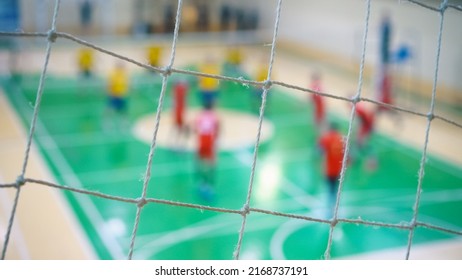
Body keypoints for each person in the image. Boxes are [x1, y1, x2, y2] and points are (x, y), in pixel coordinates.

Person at [318, 121, 345, 218]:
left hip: (329, 170)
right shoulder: (342, 138)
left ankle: (330, 210)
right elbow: (348, 154)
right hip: (339, 170)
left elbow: (319, 151)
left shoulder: (326, 138)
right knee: (335, 190)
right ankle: (334, 208)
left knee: (330, 190)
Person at [194, 102, 220, 201]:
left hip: (202, 139)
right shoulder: (213, 116)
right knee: (211, 164)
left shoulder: (200, 115)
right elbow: (217, 127)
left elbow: (196, 127)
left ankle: (202, 183)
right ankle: (210, 185)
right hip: (209, 140)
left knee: (200, 162)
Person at [105, 62, 130, 131]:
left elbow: (125, 85)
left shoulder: (123, 75)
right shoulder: (114, 75)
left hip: (122, 96)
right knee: (111, 110)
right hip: (115, 96)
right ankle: (107, 122)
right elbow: (110, 85)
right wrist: (112, 94)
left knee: (123, 110)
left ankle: (123, 122)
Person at [170, 79, 189, 150]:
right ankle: (177, 144)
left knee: (178, 128)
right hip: (179, 111)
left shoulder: (176, 90)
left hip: (178, 110)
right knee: (179, 128)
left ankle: (175, 143)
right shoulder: (180, 90)